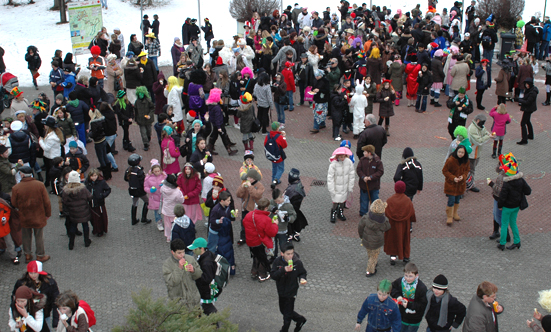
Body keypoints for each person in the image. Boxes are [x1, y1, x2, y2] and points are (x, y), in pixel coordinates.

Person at [12, 166, 51, 263]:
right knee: (39, 236)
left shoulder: (16, 188)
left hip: (24, 216)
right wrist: (48, 213)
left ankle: (28, 255)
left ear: (22, 174)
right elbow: (47, 202)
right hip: (38, 215)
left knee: (26, 236)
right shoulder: (40, 185)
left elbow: (14, 203)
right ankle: (40, 255)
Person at [496, 152, 531, 250]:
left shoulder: (507, 183)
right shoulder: (521, 180)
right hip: (516, 206)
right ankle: (517, 241)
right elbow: (528, 191)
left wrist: (500, 205)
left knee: (504, 224)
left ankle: (502, 243)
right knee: (513, 223)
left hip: (507, 207)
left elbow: (502, 197)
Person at [13, 261, 60, 331]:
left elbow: (56, 301)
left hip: (45, 314)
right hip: (26, 313)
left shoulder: (50, 283)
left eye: (35, 273)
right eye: (31, 273)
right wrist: (17, 317)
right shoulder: (21, 283)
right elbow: (14, 300)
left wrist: (56, 322)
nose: (33, 275)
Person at [271, 243, 308, 332]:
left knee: (287, 316)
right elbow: (273, 275)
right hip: (281, 291)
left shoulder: (297, 262)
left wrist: (302, 278)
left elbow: (302, 272)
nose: (291, 256)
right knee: (283, 310)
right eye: (288, 254)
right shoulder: (277, 262)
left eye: (292, 253)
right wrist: (283, 270)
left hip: (291, 292)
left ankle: (284, 329)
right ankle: (300, 320)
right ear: (282, 254)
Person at [243, 197, 278, 282]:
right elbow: (272, 233)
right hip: (259, 242)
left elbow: (244, 223)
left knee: (255, 256)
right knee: (262, 258)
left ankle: (254, 272)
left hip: (250, 241)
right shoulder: (266, 219)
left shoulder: (249, 214)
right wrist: (275, 224)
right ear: (266, 208)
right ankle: (262, 275)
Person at [384, 181, 417, 265]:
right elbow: (412, 213)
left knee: (393, 240)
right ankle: (405, 257)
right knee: (405, 240)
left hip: (392, 225)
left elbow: (386, 212)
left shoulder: (390, 200)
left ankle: (393, 257)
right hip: (404, 225)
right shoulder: (407, 200)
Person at [162, 238, 202, 307]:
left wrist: (194, 271)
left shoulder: (190, 259)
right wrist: (179, 268)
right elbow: (172, 282)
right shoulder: (167, 265)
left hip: (193, 300)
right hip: (178, 303)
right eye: (179, 253)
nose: (182, 255)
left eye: (183, 252)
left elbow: (199, 275)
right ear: (172, 252)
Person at [390, 263, 429, 332]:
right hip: (402, 315)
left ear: (416, 275)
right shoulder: (400, 281)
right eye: (406, 275)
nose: (407, 278)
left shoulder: (421, 288)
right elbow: (392, 288)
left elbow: (422, 305)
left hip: (414, 319)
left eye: (410, 276)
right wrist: (397, 296)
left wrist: (409, 305)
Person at [357, 199, 390, 277]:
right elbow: (387, 227)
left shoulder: (365, 218)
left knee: (370, 253)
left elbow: (360, 228)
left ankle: (372, 263)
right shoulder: (383, 221)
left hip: (367, 240)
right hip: (377, 242)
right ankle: (370, 270)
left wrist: (361, 236)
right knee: (374, 255)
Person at [187, 237, 219, 315]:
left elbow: (206, 279)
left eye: (195, 249)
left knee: (207, 308)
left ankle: (214, 324)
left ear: (201, 249)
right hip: (209, 289)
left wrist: (194, 272)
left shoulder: (206, 263)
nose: (193, 251)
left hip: (206, 292)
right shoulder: (208, 255)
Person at [62, 170, 93, 250]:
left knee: (73, 226)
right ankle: (86, 241)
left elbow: (64, 201)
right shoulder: (83, 189)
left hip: (72, 212)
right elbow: (89, 197)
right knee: (85, 225)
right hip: (83, 211)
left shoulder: (66, 190)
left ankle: (71, 244)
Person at [442, 145, 470, 226]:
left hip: (460, 185)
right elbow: (445, 171)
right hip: (451, 185)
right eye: (459, 152)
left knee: (457, 200)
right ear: (456, 151)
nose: (460, 154)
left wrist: (463, 177)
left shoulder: (466, 161)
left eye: (462, 152)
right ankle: (449, 216)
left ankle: (455, 213)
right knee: (451, 200)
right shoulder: (451, 160)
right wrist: (453, 178)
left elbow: (467, 170)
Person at [327, 146, 355, 223]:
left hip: (345, 186)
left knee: (343, 201)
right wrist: (331, 189)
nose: (343, 158)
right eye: (341, 157)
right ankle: (333, 212)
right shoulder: (333, 165)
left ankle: (340, 212)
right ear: (337, 156)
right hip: (336, 187)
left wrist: (350, 186)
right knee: (336, 201)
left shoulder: (348, 162)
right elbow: (330, 178)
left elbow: (351, 175)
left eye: (344, 156)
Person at [467, 113, 493, 193]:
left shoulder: (479, 126)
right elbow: (479, 141)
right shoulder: (472, 129)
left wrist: (488, 134)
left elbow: (484, 131)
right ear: (478, 120)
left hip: (477, 152)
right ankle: (468, 185)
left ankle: (470, 184)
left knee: (472, 170)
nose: (483, 124)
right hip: (471, 154)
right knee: (470, 170)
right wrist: (488, 136)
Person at [356, 144, 384, 217]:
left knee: (375, 201)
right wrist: (363, 177)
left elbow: (380, 172)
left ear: (369, 153)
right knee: (364, 201)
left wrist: (371, 177)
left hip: (374, 186)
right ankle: (363, 214)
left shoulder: (378, 161)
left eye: (365, 152)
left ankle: (375, 214)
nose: (363, 153)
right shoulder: (362, 160)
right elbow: (358, 170)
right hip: (364, 186)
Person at [125, 154, 152, 226]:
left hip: (132, 190)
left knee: (134, 203)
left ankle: (133, 220)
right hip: (140, 190)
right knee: (147, 202)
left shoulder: (128, 170)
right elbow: (143, 181)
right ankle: (144, 218)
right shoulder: (139, 171)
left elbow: (125, 179)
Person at [84, 168, 111, 237]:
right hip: (91, 204)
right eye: (92, 176)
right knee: (93, 218)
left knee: (100, 218)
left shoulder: (102, 182)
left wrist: (102, 195)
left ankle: (100, 230)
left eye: (95, 176)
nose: (94, 177)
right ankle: (96, 229)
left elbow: (108, 190)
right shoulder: (87, 183)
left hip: (99, 203)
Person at [269, 188, 296, 256]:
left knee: (283, 246)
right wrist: (272, 208)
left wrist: (288, 219)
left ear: (282, 196)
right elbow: (267, 206)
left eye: (278, 201)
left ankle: (283, 259)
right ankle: (273, 257)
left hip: (282, 230)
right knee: (273, 245)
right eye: (276, 201)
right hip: (273, 228)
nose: (277, 202)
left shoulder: (288, 206)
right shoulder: (272, 202)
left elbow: (294, 216)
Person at [161, 174, 185, 242]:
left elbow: (161, 192)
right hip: (174, 211)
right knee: (174, 224)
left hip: (166, 209)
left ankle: (168, 237)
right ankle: (174, 236)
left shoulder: (163, 188)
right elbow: (182, 200)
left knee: (167, 224)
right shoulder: (177, 191)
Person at [144, 160, 167, 231]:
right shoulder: (148, 178)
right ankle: (159, 222)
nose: (157, 172)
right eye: (155, 171)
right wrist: (150, 190)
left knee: (166, 211)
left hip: (164, 197)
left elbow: (169, 184)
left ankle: (167, 222)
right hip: (154, 198)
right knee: (157, 212)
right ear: (152, 171)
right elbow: (145, 187)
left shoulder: (164, 176)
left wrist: (165, 185)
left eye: (158, 171)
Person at [265, 122, 288, 189]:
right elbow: (285, 145)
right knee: (281, 168)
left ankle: (273, 180)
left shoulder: (268, 136)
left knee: (274, 168)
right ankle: (275, 180)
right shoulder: (280, 137)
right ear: (278, 128)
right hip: (279, 156)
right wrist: (283, 137)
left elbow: (265, 144)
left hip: (271, 156)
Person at [517, 78, 538, 145]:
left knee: (523, 123)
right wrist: (519, 99)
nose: (526, 85)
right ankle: (531, 135)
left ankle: (524, 139)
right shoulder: (531, 90)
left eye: (527, 84)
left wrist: (519, 100)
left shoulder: (532, 92)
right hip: (529, 108)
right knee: (527, 121)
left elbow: (528, 102)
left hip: (528, 109)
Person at [134, 86, 155, 151]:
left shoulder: (148, 101)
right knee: (143, 133)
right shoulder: (137, 102)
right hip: (141, 120)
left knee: (148, 131)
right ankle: (146, 144)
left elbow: (152, 108)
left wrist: (150, 115)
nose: (140, 95)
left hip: (148, 119)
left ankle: (148, 138)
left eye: (141, 94)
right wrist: (136, 119)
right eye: (139, 94)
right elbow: (135, 111)